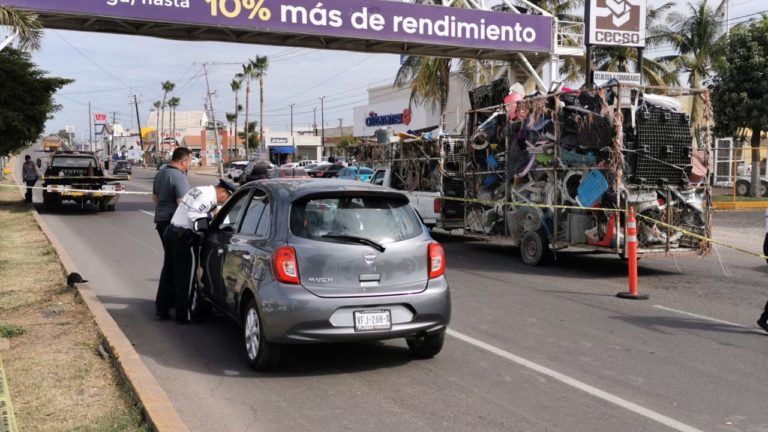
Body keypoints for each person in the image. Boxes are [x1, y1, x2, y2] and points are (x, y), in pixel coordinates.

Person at [155, 179, 235, 323]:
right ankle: (183, 315)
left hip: (173, 233)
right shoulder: (208, 198)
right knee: (186, 278)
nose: (225, 201)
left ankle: (161, 309)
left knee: (168, 273)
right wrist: (212, 216)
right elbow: (194, 217)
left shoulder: (199, 189)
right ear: (222, 191)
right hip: (184, 238)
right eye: (227, 197)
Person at [152, 147, 192, 243]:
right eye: (190, 161)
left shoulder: (160, 174)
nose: (190, 165)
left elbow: (155, 198)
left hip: (160, 220)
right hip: (174, 224)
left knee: (168, 251)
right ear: (184, 162)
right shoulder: (179, 176)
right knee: (180, 252)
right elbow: (182, 203)